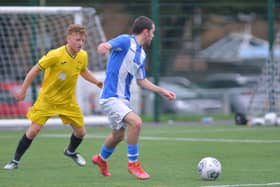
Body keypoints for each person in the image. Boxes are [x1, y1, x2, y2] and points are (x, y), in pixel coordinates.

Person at [4, 24, 103, 170]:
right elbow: (34, 70)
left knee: (81, 132)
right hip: (48, 100)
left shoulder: (83, 55)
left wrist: (96, 82)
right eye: (77, 40)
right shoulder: (55, 55)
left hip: (68, 100)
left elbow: (83, 71)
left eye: (82, 40)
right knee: (33, 130)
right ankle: (15, 161)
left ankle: (70, 151)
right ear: (68, 39)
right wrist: (23, 91)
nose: (80, 43)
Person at [92, 16, 176, 180]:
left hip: (123, 100)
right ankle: (133, 164)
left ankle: (101, 159)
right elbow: (108, 45)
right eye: (153, 32)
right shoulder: (125, 41)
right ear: (146, 32)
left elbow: (141, 81)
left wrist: (161, 90)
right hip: (110, 97)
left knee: (118, 136)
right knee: (136, 123)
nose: (153, 35)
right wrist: (103, 46)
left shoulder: (142, 55)